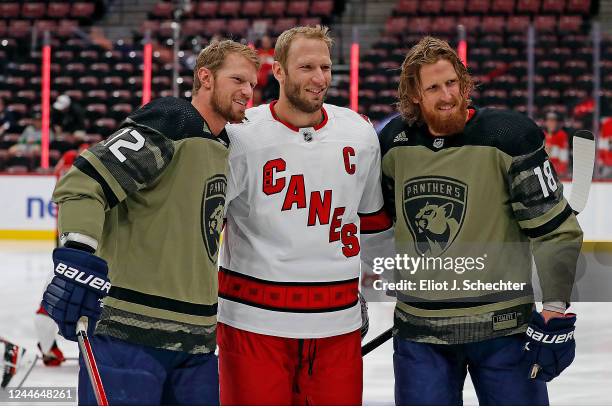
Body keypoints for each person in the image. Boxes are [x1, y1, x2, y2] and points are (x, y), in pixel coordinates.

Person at [41, 40, 259, 405]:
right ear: (205, 77)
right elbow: (82, 183)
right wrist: (77, 258)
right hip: (128, 333)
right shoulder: (174, 119)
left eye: (252, 83)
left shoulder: (224, 143)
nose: (248, 91)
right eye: (237, 79)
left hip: (198, 339)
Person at [378, 36, 583, 405]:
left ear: (465, 82)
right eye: (433, 87)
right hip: (419, 336)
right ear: (414, 95)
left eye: (452, 82)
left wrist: (554, 309)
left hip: (504, 331)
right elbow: (384, 221)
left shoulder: (508, 137)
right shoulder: (393, 144)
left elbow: (556, 231)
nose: (447, 96)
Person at [217, 25, 392, 405]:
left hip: (338, 326)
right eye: (306, 67)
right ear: (277, 71)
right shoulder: (240, 135)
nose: (319, 78)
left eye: (326, 68)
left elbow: (374, 226)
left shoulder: (359, 133)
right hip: (252, 325)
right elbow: (204, 227)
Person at [543, 111, 570, 177]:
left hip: (556, 171)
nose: (552, 124)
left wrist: (560, 171)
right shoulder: (542, 134)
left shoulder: (561, 135)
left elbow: (564, 158)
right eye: (549, 121)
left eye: (554, 121)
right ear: (546, 122)